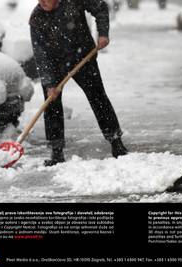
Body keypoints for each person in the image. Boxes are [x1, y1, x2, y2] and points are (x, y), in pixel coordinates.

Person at [29, 0, 128, 166]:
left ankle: (116, 142)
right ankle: (56, 152)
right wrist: (50, 83)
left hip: (83, 56)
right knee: (51, 103)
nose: (42, 2)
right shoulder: (37, 17)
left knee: (97, 97)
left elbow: (100, 7)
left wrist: (103, 33)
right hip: (54, 63)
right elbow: (40, 54)